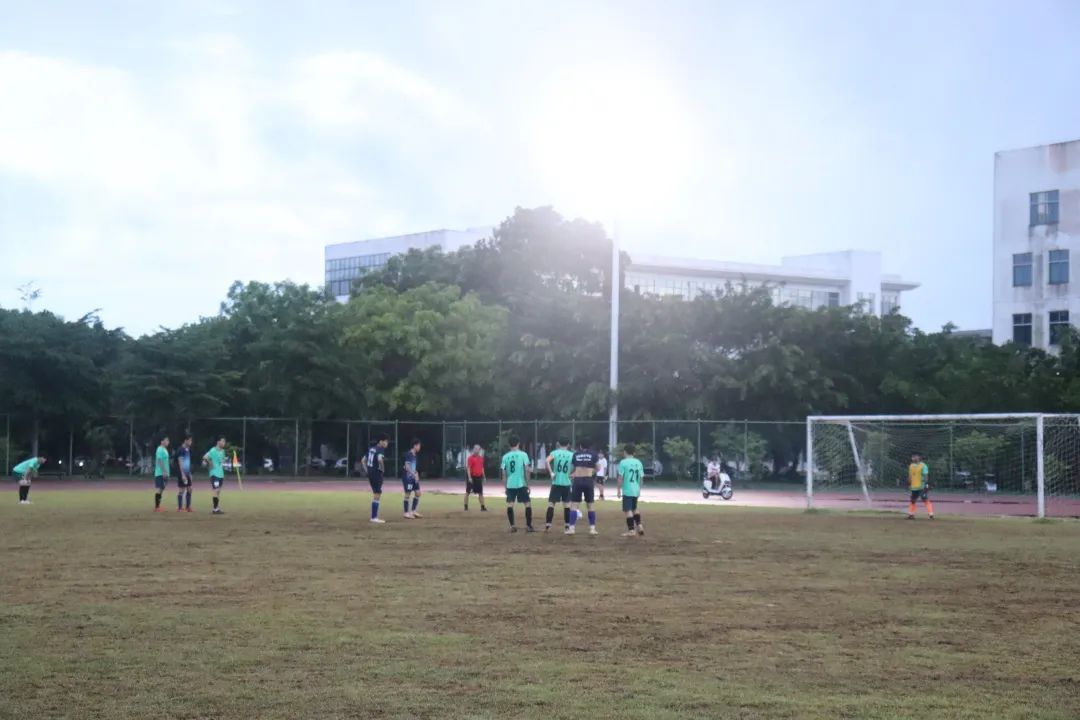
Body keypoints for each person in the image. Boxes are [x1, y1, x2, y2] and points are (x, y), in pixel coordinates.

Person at [501, 436, 534, 533]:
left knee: (510, 505)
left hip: (510, 484)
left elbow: (503, 474)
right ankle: (528, 526)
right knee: (527, 504)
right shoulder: (523, 455)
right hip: (521, 483)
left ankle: (512, 526)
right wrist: (528, 484)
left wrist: (505, 487)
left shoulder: (505, 457)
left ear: (509, 444)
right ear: (518, 443)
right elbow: (527, 470)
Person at [567, 440, 599, 536]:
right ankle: (592, 529)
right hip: (588, 480)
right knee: (590, 505)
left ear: (580, 446)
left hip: (578, 480)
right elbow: (598, 468)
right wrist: (591, 472)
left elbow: (573, 468)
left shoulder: (576, 454)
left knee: (574, 505)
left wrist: (572, 474)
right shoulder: (593, 454)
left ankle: (571, 529)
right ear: (590, 446)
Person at [544, 438, 574, 532]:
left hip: (556, 482)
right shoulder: (571, 454)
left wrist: (551, 473)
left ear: (558, 444)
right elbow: (577, 466)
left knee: (551, 504)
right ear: (568, 444)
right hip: (566, 482)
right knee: (567, 505)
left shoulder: (555, 453)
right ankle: (567, 526)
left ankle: (548, 525)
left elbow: (546, 461)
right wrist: (573, 474)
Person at [617, 443, 645, 537]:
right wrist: (639, 489)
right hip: (635, 490)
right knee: (634, 508)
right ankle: (639, 525)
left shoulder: (623, 462)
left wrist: (618, 489)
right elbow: (641, 478)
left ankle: (631, 530)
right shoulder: (638, 462)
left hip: (627, 490)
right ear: (634, 452)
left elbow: (620, 477)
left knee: (628, 510)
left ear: (625, 452)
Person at [363, 433, 390, 524]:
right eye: (386, 441)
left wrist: (367, 471)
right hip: (376, 473)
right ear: (381, 442)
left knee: (376, 492)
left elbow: (363, 460)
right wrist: (382, 469)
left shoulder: (371, 449)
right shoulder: (380, 449)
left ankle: (374, 516)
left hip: (371, 473)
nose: (387, 443)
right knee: (377, 493)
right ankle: (374, 517)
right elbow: (379, 459)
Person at [202, 436, 227, 515]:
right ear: (218, 442)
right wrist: (209, 463)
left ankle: (216, 508)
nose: (224, 443)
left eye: (224, 442)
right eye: (222, 441)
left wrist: (224, 461)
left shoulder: (223, 451)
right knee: (216, 490)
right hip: (214, 473)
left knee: (218, 491)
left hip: (221, 474)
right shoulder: (213, 450)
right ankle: (215, 509)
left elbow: (222, 461)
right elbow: (205, 457)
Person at [907, 452, 934, 520]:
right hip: (914, 487)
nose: (913, 458)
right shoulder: (911, 466)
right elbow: (910, 475)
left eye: (914, 456)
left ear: (918, 457)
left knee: (924, 499)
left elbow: (926, 476)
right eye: (912, 457)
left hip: (922, 486)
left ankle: (931, 514)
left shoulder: (923, 466)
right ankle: (911, 515)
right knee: (912, 500)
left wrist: (926, 484)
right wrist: (909, 484)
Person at [403, 438, 423, 519]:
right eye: (419, 446)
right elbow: (407, 467)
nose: (419, 447)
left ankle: (413, 511)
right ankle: (406, 513)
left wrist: (416, 473)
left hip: (413, 477)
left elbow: (413, 466)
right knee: (407, 494)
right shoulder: (409, 454)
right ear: (415, 446)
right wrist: (413, 474)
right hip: (408, 477)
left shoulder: (415, 455)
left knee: (418, 493)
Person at [175, 434, 194, 512]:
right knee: (182, 490)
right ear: (185, 440)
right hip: (182, 472)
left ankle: (188, 507)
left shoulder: (188, 450)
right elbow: (180, 462)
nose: (191, 442)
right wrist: (182, 474)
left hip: (187, 472)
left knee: (190, 489)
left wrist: (189, 473)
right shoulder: (180, 450)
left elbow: (188, 463)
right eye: (190, 440)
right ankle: (179, 508)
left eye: (191, 440)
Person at [465, 445, 487, 511]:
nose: (477, 450)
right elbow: (468, 468)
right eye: (476, 449)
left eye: (478, 449)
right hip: (472, 476)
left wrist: (484, 477)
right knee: (467, 492)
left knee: (480, 492)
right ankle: (466, 506)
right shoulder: (470, 458)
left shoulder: (481, 458)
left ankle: (482, 507)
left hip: (478, 477)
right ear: (473, 449)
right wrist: (469, 477)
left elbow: (482, 468)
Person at [153, 435, 171, 513]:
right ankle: (157, 507)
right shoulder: (160, 449)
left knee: (162, 489)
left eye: (168, 440)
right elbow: (159, 460)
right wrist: (163, 471)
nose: (168, 442)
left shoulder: (165, 450)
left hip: (165, 473)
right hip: (160, 473)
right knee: (160, 489)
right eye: (166, 440)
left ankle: (158, 506)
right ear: (162, 441)